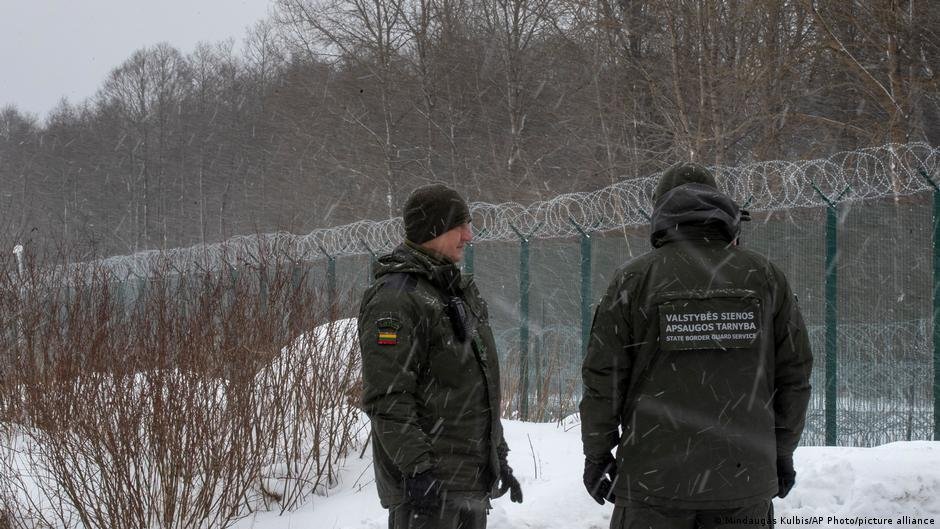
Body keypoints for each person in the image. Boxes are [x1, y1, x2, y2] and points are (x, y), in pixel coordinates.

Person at [579, 163, 813, 529]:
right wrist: (781, 452)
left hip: (653, 486)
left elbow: (603, 378)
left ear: (661, 211)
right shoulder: (765, 277)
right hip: (743, 483)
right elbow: (794, 375)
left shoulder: (634, 279)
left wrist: (597, 454)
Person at [358, 184, 523, 529]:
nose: (468, 236)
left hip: (468, 484)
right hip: (429, 492)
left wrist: (498, 455)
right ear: (433, 229)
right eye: (459, 226)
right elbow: (388, 396)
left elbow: (478, 384)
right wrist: (419, 470)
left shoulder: (454, 292)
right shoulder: (396, 299)